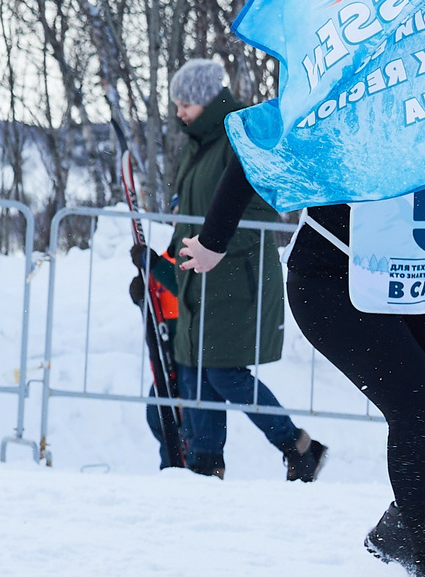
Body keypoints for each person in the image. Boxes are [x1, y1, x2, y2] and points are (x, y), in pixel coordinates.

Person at [181, 146, 425, 577]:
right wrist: (214, 240)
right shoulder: (355, 88)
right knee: (420, 405)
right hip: (330, 284)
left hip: (411, 282)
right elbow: (254, 144)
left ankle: (402, 530)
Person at [135, 58, 326, 480]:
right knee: (193, 372)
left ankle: (297, 446)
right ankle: (206, 465)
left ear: (207, 100)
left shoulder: (239, 137)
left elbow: (259, 219)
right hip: (197, 282)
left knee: (222, 372)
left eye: (186, 103)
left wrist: (213, 247)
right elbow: (187, 218)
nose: (180, 112)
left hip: (235, 281)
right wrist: (158, 268)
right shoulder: (195, 147)